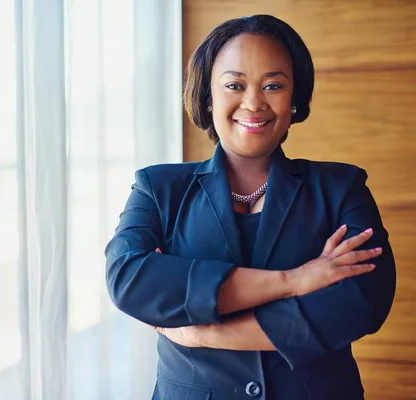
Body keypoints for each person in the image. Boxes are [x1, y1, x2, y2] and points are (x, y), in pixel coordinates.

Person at [104, 14, 396, 400]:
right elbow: (128, 280)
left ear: (295, 98)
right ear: (208, 98)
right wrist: (294, 281)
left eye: (273, 85)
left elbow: (362, 300)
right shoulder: (159, 188)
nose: (254, 102)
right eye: (234, 85)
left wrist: (206, 333)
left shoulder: (341, 187)